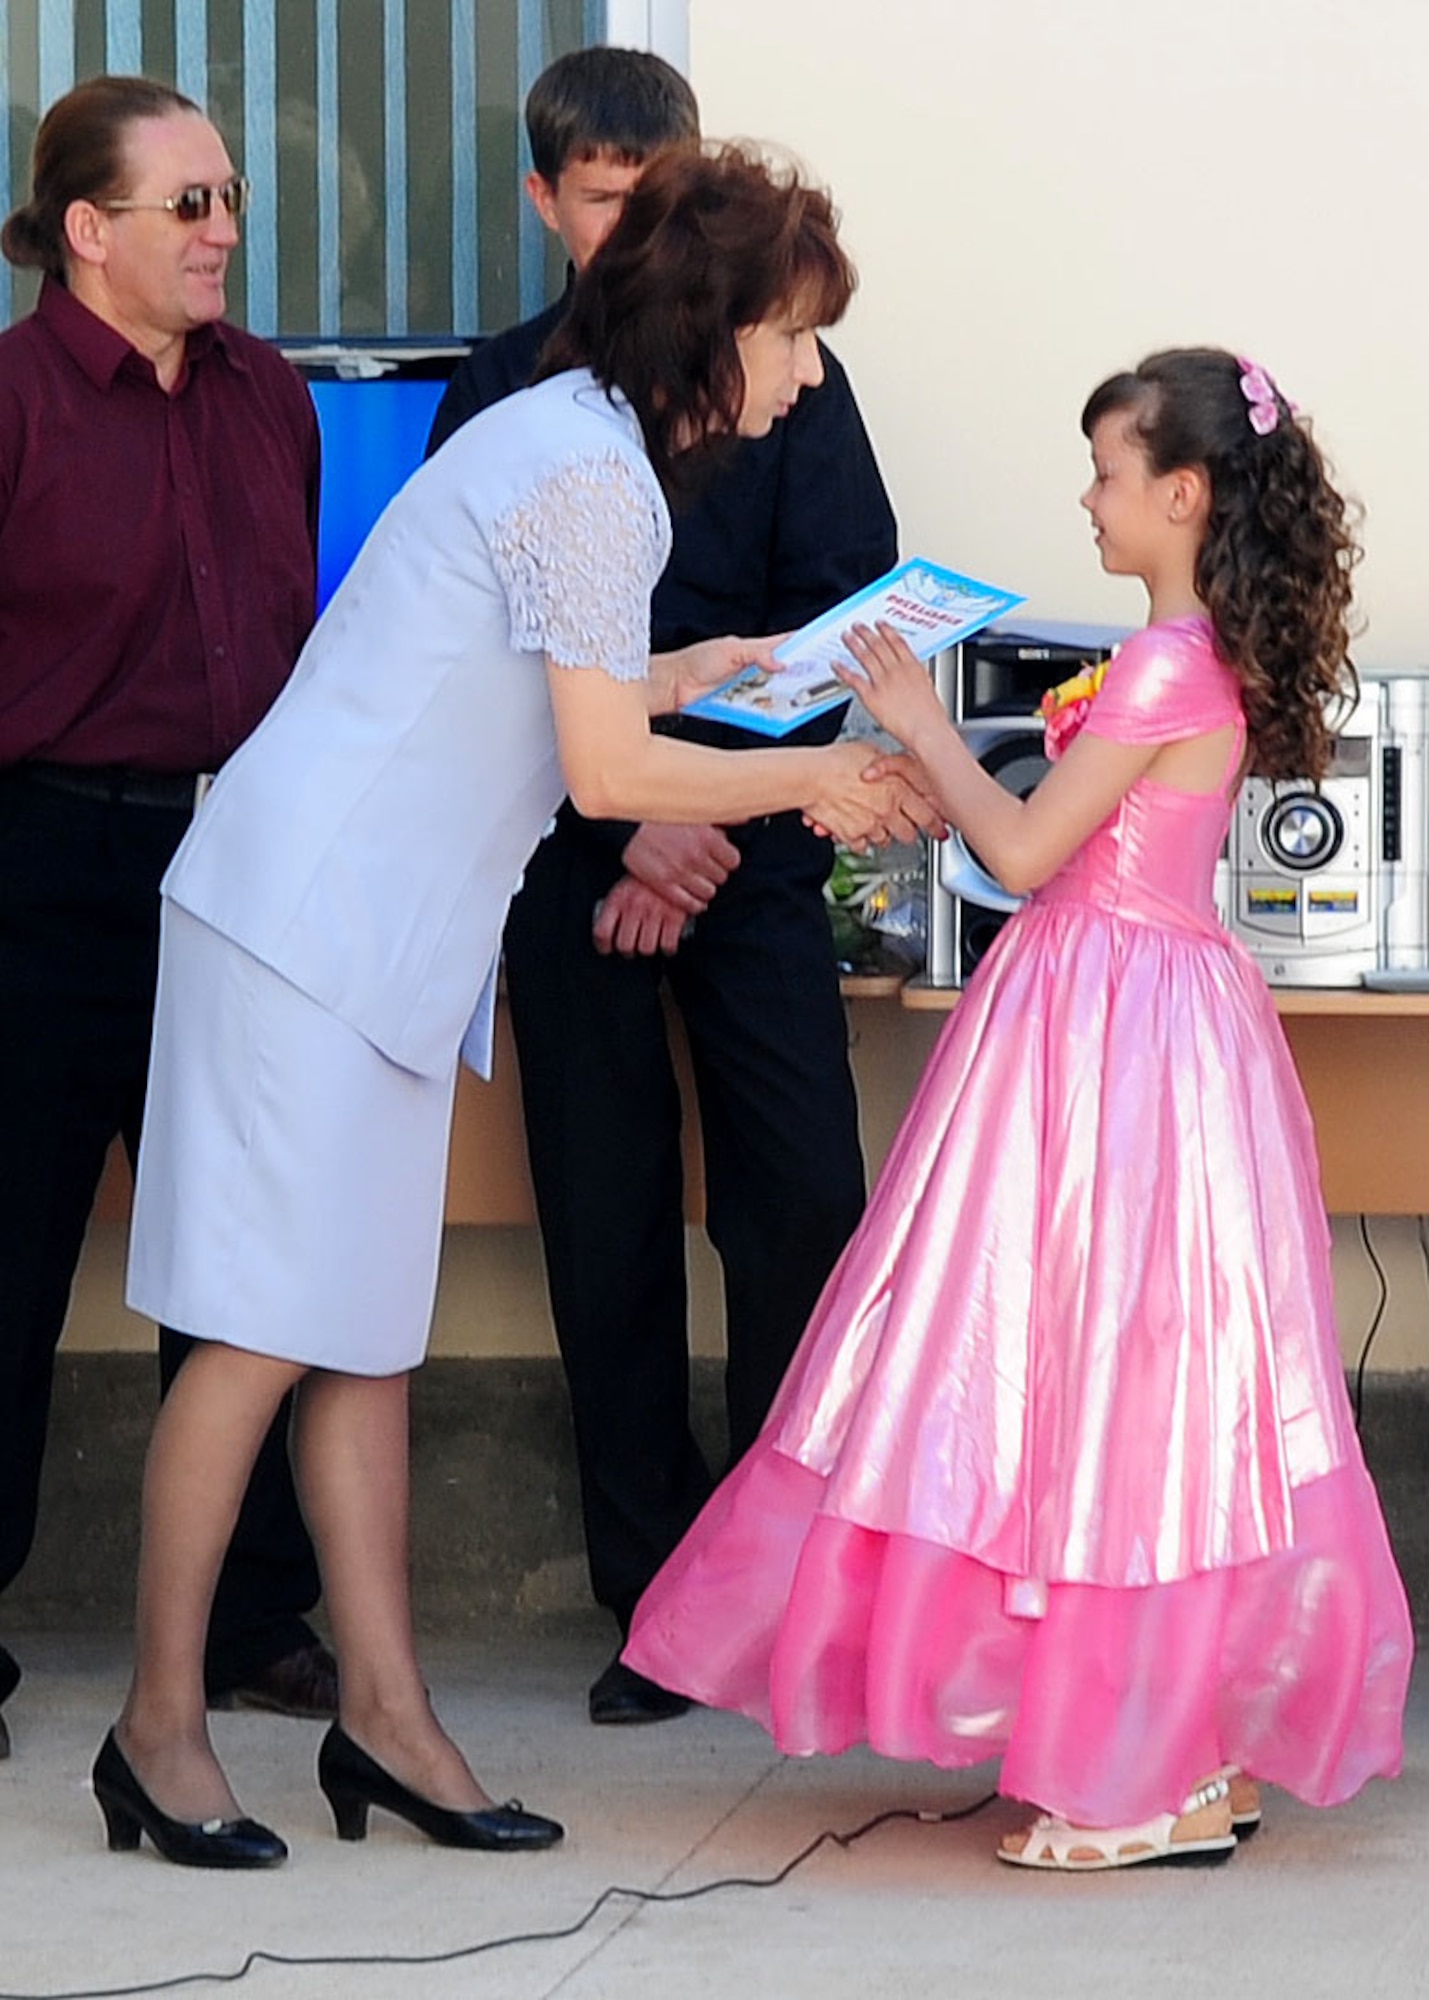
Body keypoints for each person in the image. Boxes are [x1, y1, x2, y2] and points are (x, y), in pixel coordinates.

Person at [99, 142, 940, 1870]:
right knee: (262, 1333)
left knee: (362, 1350)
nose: (805, 376)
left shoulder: (577, 444)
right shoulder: (594, 479)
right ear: (717, 332)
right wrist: (811, 781)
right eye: (792, 339)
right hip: (305, 930)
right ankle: (155, 1732)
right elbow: (601, 767)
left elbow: (550, 678)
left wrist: (706, 671)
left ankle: (388, 1724)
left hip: (377, 945)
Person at [626, 348, 1414, 1869]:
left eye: (1108, 472)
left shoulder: (1167, 666)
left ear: (1181, 493)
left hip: (1106, 1026)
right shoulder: (1185, 658)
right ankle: (1180, 1749)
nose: (1088, 497)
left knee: (1084, 1371)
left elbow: (1033, 855)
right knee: (1140, 1379)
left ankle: (1142, 1769)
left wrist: (920, 724)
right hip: (1140, 1015)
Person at [428, 47, 895, 1725]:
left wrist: (697, 839)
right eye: (615, 200)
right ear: (548, 203)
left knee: (804, 1209)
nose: (650, 229)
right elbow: (481, 659)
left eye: (674, 196)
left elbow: (850, 616)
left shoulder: (797, 377)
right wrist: (627, 824)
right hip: (567, 861)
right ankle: (651, 1602)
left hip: (754, 860)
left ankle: (771, 1587)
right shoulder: (505, 391)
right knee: (602, 1228)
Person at [0, 74, 335, 1764]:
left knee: (240, 1269)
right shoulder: (6, 401)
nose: (223, 232)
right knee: (8, 1262)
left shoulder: (268, 396)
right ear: (87, 231)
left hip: (232, 876)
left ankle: (257, 1619)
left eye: (229, 204)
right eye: (189, 204)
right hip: (37, 872)